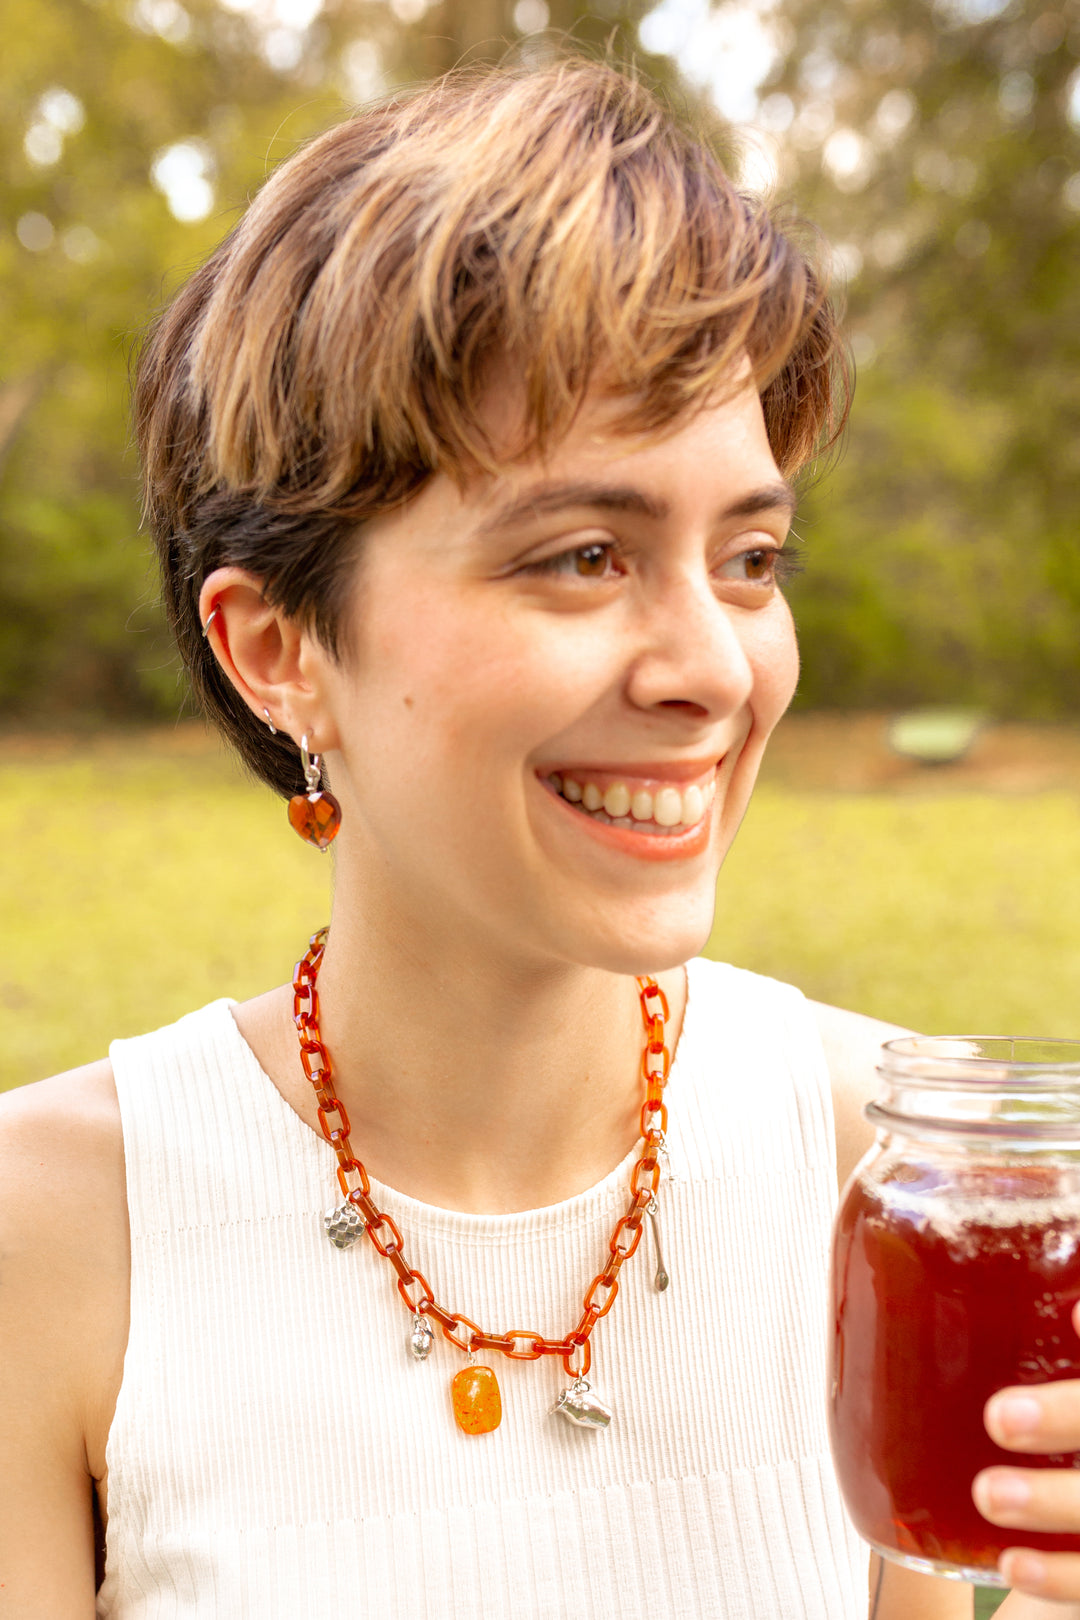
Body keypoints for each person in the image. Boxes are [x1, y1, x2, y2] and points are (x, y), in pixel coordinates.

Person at [1, 55, 1078, 1620]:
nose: (714, 666)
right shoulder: (48, 1241)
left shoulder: (889, 1174)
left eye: (753, 555)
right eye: (585, 554)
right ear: (279, 649)